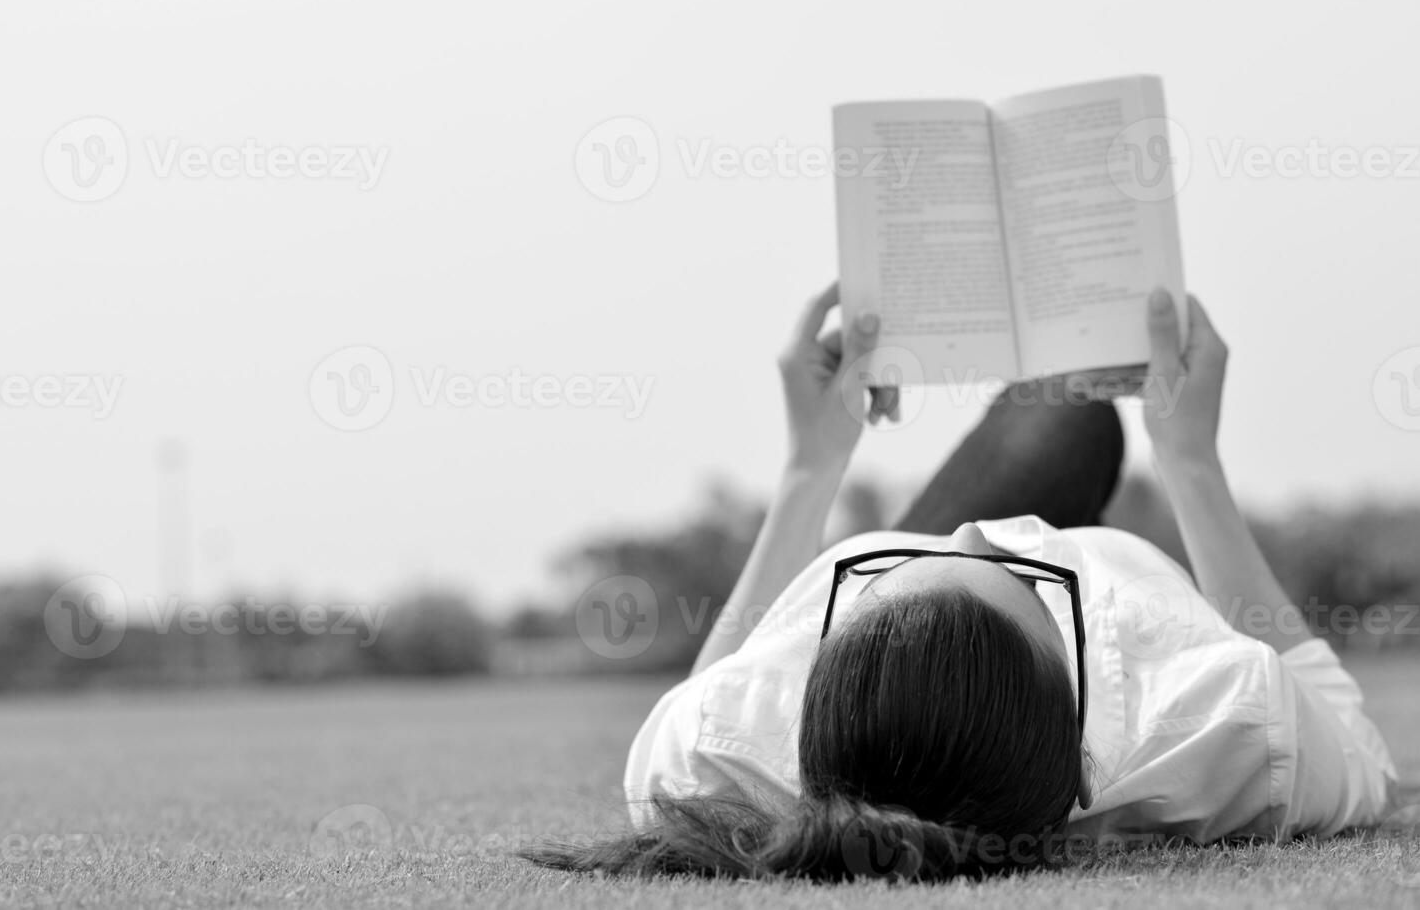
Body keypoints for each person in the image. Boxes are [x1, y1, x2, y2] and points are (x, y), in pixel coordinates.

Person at [523, 284, 1399, 881]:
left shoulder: (729, 743)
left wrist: (810, 466)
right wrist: (1191, 462)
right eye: (1025, 576)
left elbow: (708, 691)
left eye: (895, 564)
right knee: (1069, 413)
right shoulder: (1225, 715)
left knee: (1056, 412)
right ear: (1083, 766)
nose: (977, 527)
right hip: (1108, 672)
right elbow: (1358, 746)